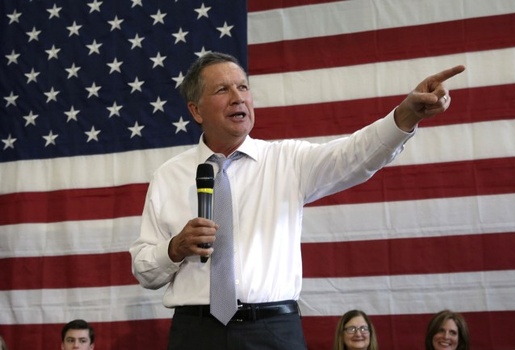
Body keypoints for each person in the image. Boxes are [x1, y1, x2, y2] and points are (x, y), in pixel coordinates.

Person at [129, 51, 465, 349]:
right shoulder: (168, 176)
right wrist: (174, 248)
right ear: (196, 110)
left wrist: (406, 115)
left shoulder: (287, 161)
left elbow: (354, 156)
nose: (238, 98)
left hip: (272, 331)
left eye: (243, 87)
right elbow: (145, 269)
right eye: (223, 90)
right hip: (196, 333)